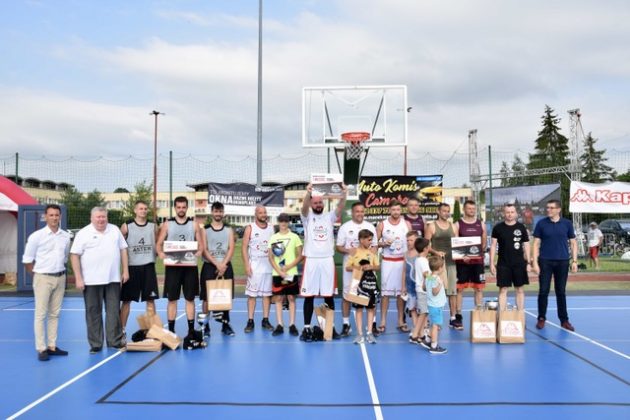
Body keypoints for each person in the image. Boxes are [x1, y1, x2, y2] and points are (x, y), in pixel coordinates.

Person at [70, 207, 128, 353]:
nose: (101, 219)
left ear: (107, 217)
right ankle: (96, 344)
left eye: (103, 217)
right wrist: (78, 278)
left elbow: (123, 249)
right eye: (98, 217)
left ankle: (114, 341)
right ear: (91, 218)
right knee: (93, 312)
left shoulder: (114, 230)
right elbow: (74, 255)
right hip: (90, 281)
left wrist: (125, 270)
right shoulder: (83, 233)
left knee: (114, 311)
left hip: (113, 279)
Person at [22, 204, 72, 361]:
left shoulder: (65, 236)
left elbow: (65, 257)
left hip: (60, 277)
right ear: (45, 216)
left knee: (55, 314)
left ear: (60, 217)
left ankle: (51, 346)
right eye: (51, 215)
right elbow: (27, 260)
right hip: (43, 278)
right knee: (40, 314)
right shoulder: (36, 236)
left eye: (57, 215)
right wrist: (38, 276)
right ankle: (41, 348)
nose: (54, 218)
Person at [299, 183, 347, 342]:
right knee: (309, 295)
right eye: (315, 202)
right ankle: (306, 328)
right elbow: (304, 207)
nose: (318, 205)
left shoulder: (329, 216)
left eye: (320, 202)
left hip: (327, 260)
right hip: (311, 260)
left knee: (328, 295)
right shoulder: (306, 217)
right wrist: (308, 193)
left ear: (323, 203)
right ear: (312, 203)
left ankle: (330, 328)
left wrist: (344, 193)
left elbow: (340, 207)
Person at [156, 196, 204, 337]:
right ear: (175, 208)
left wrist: (199, 252)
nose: (181, 210)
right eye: (179, 207)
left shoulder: (194, 224)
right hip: (173, 267)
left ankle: (190, 331)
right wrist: (160, 253)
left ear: (187, 208)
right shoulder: (167, 224)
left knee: (190, 298)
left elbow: (200, 245)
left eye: (183, 207)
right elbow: (159, 244)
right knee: (172, 299)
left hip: (189, 267)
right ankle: (171, 330)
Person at [532, 199, 578, 331]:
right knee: (543, 291)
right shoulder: (541, 223)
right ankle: (541, 318)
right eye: (547, 208)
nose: (548, 210)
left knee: (561, 292)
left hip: (563, 261)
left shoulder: (567, 224)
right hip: (545, 261)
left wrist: (574, 261)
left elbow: (573, 243)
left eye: (551, 208)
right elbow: (535, 244)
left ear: (558, 210)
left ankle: (564, 320)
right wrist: (535, 262)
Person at [335, 202, 377, 337]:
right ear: (352, 213)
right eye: (357, 211)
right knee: (348, 296)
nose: (360, 213)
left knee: (370, 296)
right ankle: (346, 324)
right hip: (352, 270)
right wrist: (348, 250)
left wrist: (370, 261)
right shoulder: (345, 228)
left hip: (367, 270)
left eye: (362, 211)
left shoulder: (370, 226)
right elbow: (339, 247)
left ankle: (372, 325)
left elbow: (375, 246)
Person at [119, 201, 159, 336]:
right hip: (132, 268)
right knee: (126, 301)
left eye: (145, 209)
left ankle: (153, 331)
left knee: (150, 300)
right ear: (135, 210)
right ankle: (121, 331)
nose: (143, 211)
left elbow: (159, 245)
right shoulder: (126, 226)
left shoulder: (154, 227)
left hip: (148, 267)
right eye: (141, 209)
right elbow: (119, 247)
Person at [200, 201, 236, 337]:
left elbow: (231, 248)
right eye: (216, 211)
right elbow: (204, 249)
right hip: (210, 266)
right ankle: (205, 326)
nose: (218, 214)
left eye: (220, 211)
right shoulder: (205, 229)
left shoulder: (228, 229)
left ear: (223, 213)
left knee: (225, 296)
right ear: (212, 212)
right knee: (206, 298)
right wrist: (217, 264)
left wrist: (223, 265)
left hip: (225, 266)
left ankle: (225, 325)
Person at [376, 200, 411, 333]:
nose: (396, 212)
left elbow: (412, 242)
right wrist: (383, 243)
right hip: (388, 261)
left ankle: (400, 321)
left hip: (402, 261)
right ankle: (383, 321)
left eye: (398, 209)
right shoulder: (382, 225)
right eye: (393, 209)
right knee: (385, 293)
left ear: (400, 210)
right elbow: (374, 242)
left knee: (401, 293)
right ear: (389, 210)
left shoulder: (406, 224)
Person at [489, 204, 531, 312]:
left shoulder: (521, 227)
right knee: (503, 290)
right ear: (504, 213)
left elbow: (526, 245)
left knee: (520, 289)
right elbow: (493, 246)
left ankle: (520, 314)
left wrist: (529, 262)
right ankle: (502, 315)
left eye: (512, 212)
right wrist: (491, 263)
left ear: (516, 213)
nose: (510, 214)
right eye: (507, 212)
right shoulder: (497, 228)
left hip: (519, 264)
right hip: (503, 264)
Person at [453, 200, 487, 330]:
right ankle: (458, 316)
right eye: (469, 208)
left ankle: (479, 313)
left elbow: (483, 243)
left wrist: (476, 253)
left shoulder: (481, 224)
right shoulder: (458, 224)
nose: (472, 211)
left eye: (474, 209)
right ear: (464, 209)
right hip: (462, 263)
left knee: (479, 288)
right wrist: (463, 255)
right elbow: (456, 242)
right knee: (459, 289)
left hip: (477, 262)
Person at [424, 203, 459, 329]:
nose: (446, 213)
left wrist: (464, 254)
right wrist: (436, 253)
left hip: (451, 263)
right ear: (438, 211)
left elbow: (458, 244)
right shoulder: (431, 226)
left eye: (448, 211)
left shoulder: (453, 226)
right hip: (436, 266)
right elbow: (425, 245)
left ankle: (453, 318)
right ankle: (430, 319)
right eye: (444, 211)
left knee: (452, 292)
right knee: (435, 291)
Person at [268, 213, 303, 336]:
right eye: (281, 221)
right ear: (278, 222)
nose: (283, 223)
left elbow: (300, 256)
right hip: (278, 273)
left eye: (285, 221)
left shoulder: (295, 237)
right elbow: (271, 258)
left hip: (291, 272)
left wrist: (288, 266)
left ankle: (292, 324)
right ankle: (279, 324)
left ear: (288, 222)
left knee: (291, 298)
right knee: (278, 298)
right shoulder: (273, 238)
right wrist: (279, 271)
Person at [242, 205, 275, 333]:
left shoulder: (272, 228)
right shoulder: (250, 228)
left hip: (268, 266)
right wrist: (246, 265)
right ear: (256, 214)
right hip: (254, 266)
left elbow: (275, 247)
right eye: (260, 212)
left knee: (267, 295)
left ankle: (265, 320)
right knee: (252, 295)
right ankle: (250, 321)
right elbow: (244, 247)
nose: (263, 214)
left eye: (265, 212)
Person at [345, 229, 380, 344]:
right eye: (369, 240)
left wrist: (371, 267)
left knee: (370, 309)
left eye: (371, 239)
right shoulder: (354, 252)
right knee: (358, 309)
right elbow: (347, 267)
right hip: (357, 283)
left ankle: (369, 333)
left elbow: (378, 267)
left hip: (369, 283)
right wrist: (358, 268)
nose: (371, 242)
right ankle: (360, 334)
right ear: (362, 239)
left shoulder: (372, 253)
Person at [409, 237, 431, 348]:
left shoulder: (418, 259)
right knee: (423, 313)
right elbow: (426, 275)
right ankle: (414, 335)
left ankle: (421, 334)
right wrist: (435, 280)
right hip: (423, 290)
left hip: (420, 290)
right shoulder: (423, 261)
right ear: (426, 248)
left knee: (424, 312)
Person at [424, 255, 448, 355]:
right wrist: (440, 284)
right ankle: (434, 346)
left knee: (434, 323)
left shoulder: (429, 277)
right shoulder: (436, 279)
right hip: (436, 306)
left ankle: (428, 340)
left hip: (432, 304)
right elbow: (434, 292)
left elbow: (425, 288)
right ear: (440, 268)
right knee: (435, 326)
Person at [403, 231, 419, 333]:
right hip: (409, 286)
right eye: (407, 240)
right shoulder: (405, 254)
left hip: (419, 286)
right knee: (412, 308)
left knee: (421, 309)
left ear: (416, 240)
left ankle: (422, 328)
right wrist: (402, 286)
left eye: (411, 240)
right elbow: (404, 271)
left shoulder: (420, 254)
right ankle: (415, 329)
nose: (409, 242)